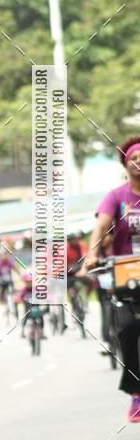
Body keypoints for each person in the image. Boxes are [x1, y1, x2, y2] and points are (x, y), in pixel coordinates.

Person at [83, 136, 140, 422]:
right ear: (125, 164)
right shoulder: (116, 197)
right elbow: (101, 226)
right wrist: (92, 254)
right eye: (134, 158)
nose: (139, 162)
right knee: (128, 329)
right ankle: (136, 394)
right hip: (126, 273)